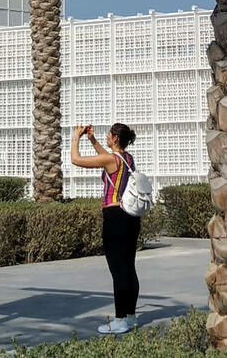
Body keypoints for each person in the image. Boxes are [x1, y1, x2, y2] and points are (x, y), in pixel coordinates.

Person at [70, 122, 140, 334]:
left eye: (108, 135)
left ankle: (119, 320)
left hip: (114, 216)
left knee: (117, 269)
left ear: (115, 138)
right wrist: (92, 140)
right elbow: (106, 159)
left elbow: (76, 160)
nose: (106, 137)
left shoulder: (112, 160)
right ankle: (130, 316)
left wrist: (76, 138)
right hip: (130, 217)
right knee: (128, 267)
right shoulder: (126, 159)